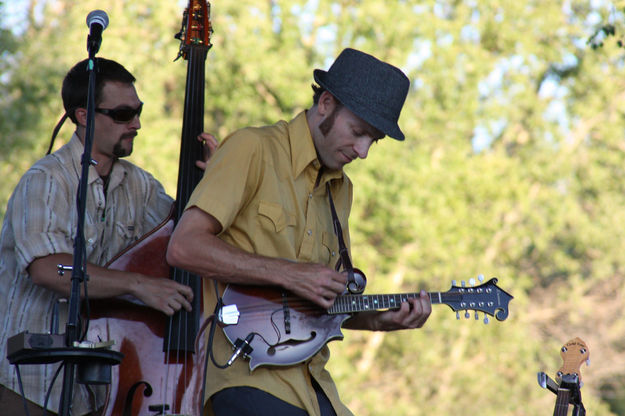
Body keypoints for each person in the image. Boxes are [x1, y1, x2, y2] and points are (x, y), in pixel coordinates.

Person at [166, 48, 432, 416]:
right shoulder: (252, 148)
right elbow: (184, 247)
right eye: (358, 132)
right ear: (325, 103)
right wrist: (292, 274)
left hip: (313, 384)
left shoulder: (342, 190)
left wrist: (378, 320)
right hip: (241, 376)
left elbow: (321, 303)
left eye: (374, 140)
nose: (364, 151)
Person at [0, 57, 217, 415]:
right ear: (83, 116)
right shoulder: (45, 180)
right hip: (30, 386)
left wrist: (210, 183)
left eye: (138, 111)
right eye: (122, 114)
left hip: (100, 391)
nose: (137, 124)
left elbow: (185, 239)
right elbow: (46, 269)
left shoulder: (141, 186)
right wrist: (137, 284)